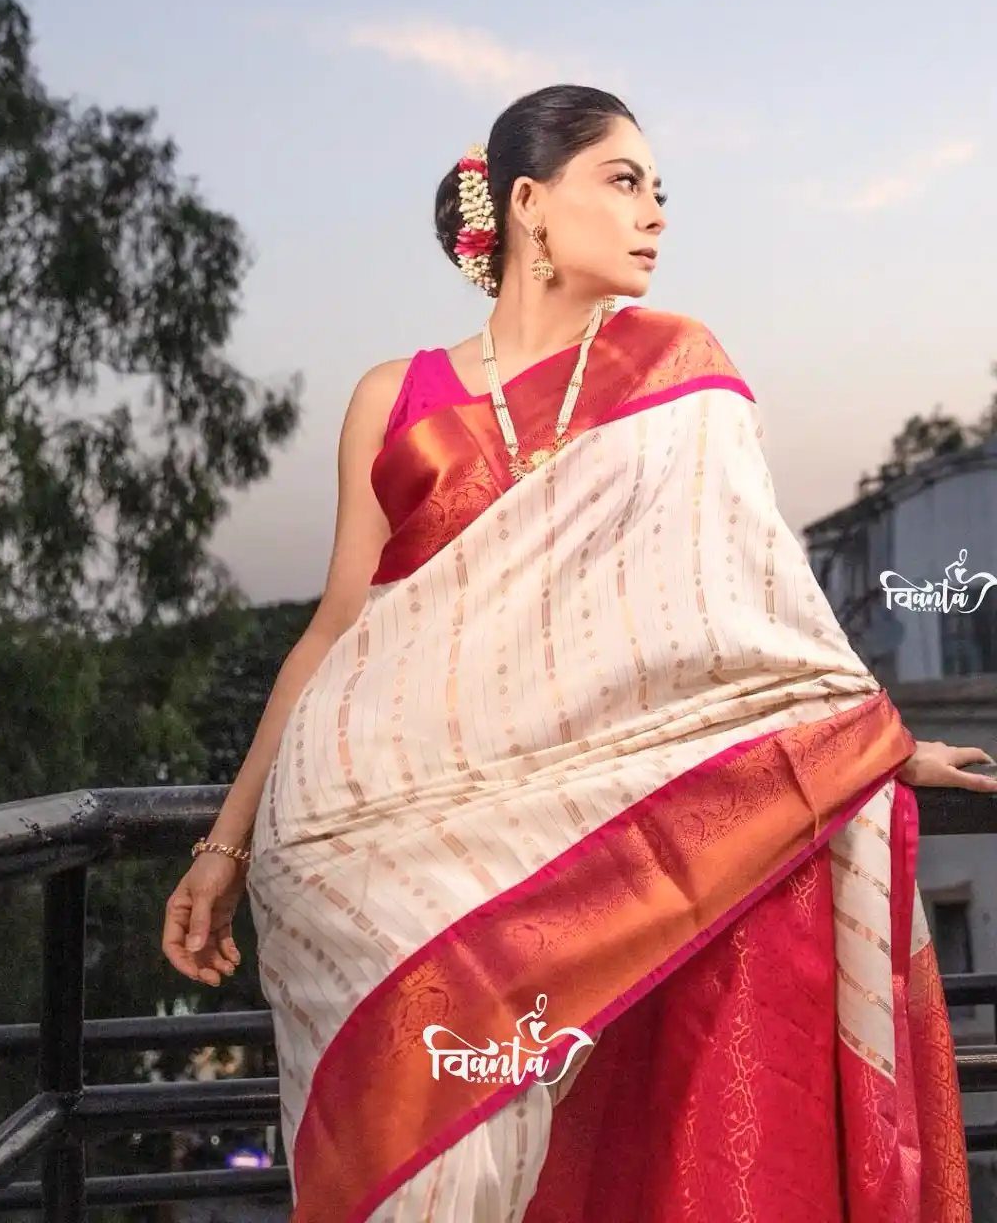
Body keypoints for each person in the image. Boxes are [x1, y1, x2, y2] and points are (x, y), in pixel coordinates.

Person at [163, 84, 995, 1223]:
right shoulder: (394, 397)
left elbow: (749, 611)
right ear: (527, 204)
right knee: (421, 1167)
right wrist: (226, 844)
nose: (655, 211)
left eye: (660, 189)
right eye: (623, 180)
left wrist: (870, 746)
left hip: (569, 844)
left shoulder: (677, 372)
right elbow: (335, 629)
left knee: (516, 1149)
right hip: (366, 839)